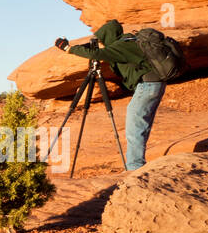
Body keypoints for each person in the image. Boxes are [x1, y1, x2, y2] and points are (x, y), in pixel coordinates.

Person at [55, 20, 165, 171]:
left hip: (147, 85)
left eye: (103, 39)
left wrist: (68, 48)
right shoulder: (129, 41)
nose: (102, 43)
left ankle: (134, 166)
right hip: (154, 84)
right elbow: (99, 51)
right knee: (140, 123)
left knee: (135, 124)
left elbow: (98, 53)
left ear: (109, 36)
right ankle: (136, 162)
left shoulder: (122, 46)